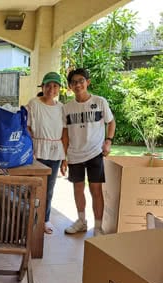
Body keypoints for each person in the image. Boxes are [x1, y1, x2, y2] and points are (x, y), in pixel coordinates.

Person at [60, 68, 116, 236]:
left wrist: (108, 141)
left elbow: (111, 122)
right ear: (70, 86)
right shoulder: (67, 108)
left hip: (95, 153)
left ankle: (98, 227)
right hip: (75, 154)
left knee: (95, 189)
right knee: (77, 188)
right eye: (74, 82)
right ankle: (81, 221)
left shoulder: (100, 102)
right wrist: (64, 157)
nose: (78, 85)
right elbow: (64, 134)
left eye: (81, 81)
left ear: (87, 82)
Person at [25, 72, 65, 234]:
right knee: (32, 187)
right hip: (37, 150)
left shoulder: (61, 108)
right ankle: (28, 218)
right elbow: (27, 127)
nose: (51, 89)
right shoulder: (34, 103)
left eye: (55, 86)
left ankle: (44, 220)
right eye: (48, 85)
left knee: (49, 188)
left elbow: (65, 132)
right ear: (42, 86)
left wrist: (65, 158)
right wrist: (31, 148)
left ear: (59, 89)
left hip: (55, 152)